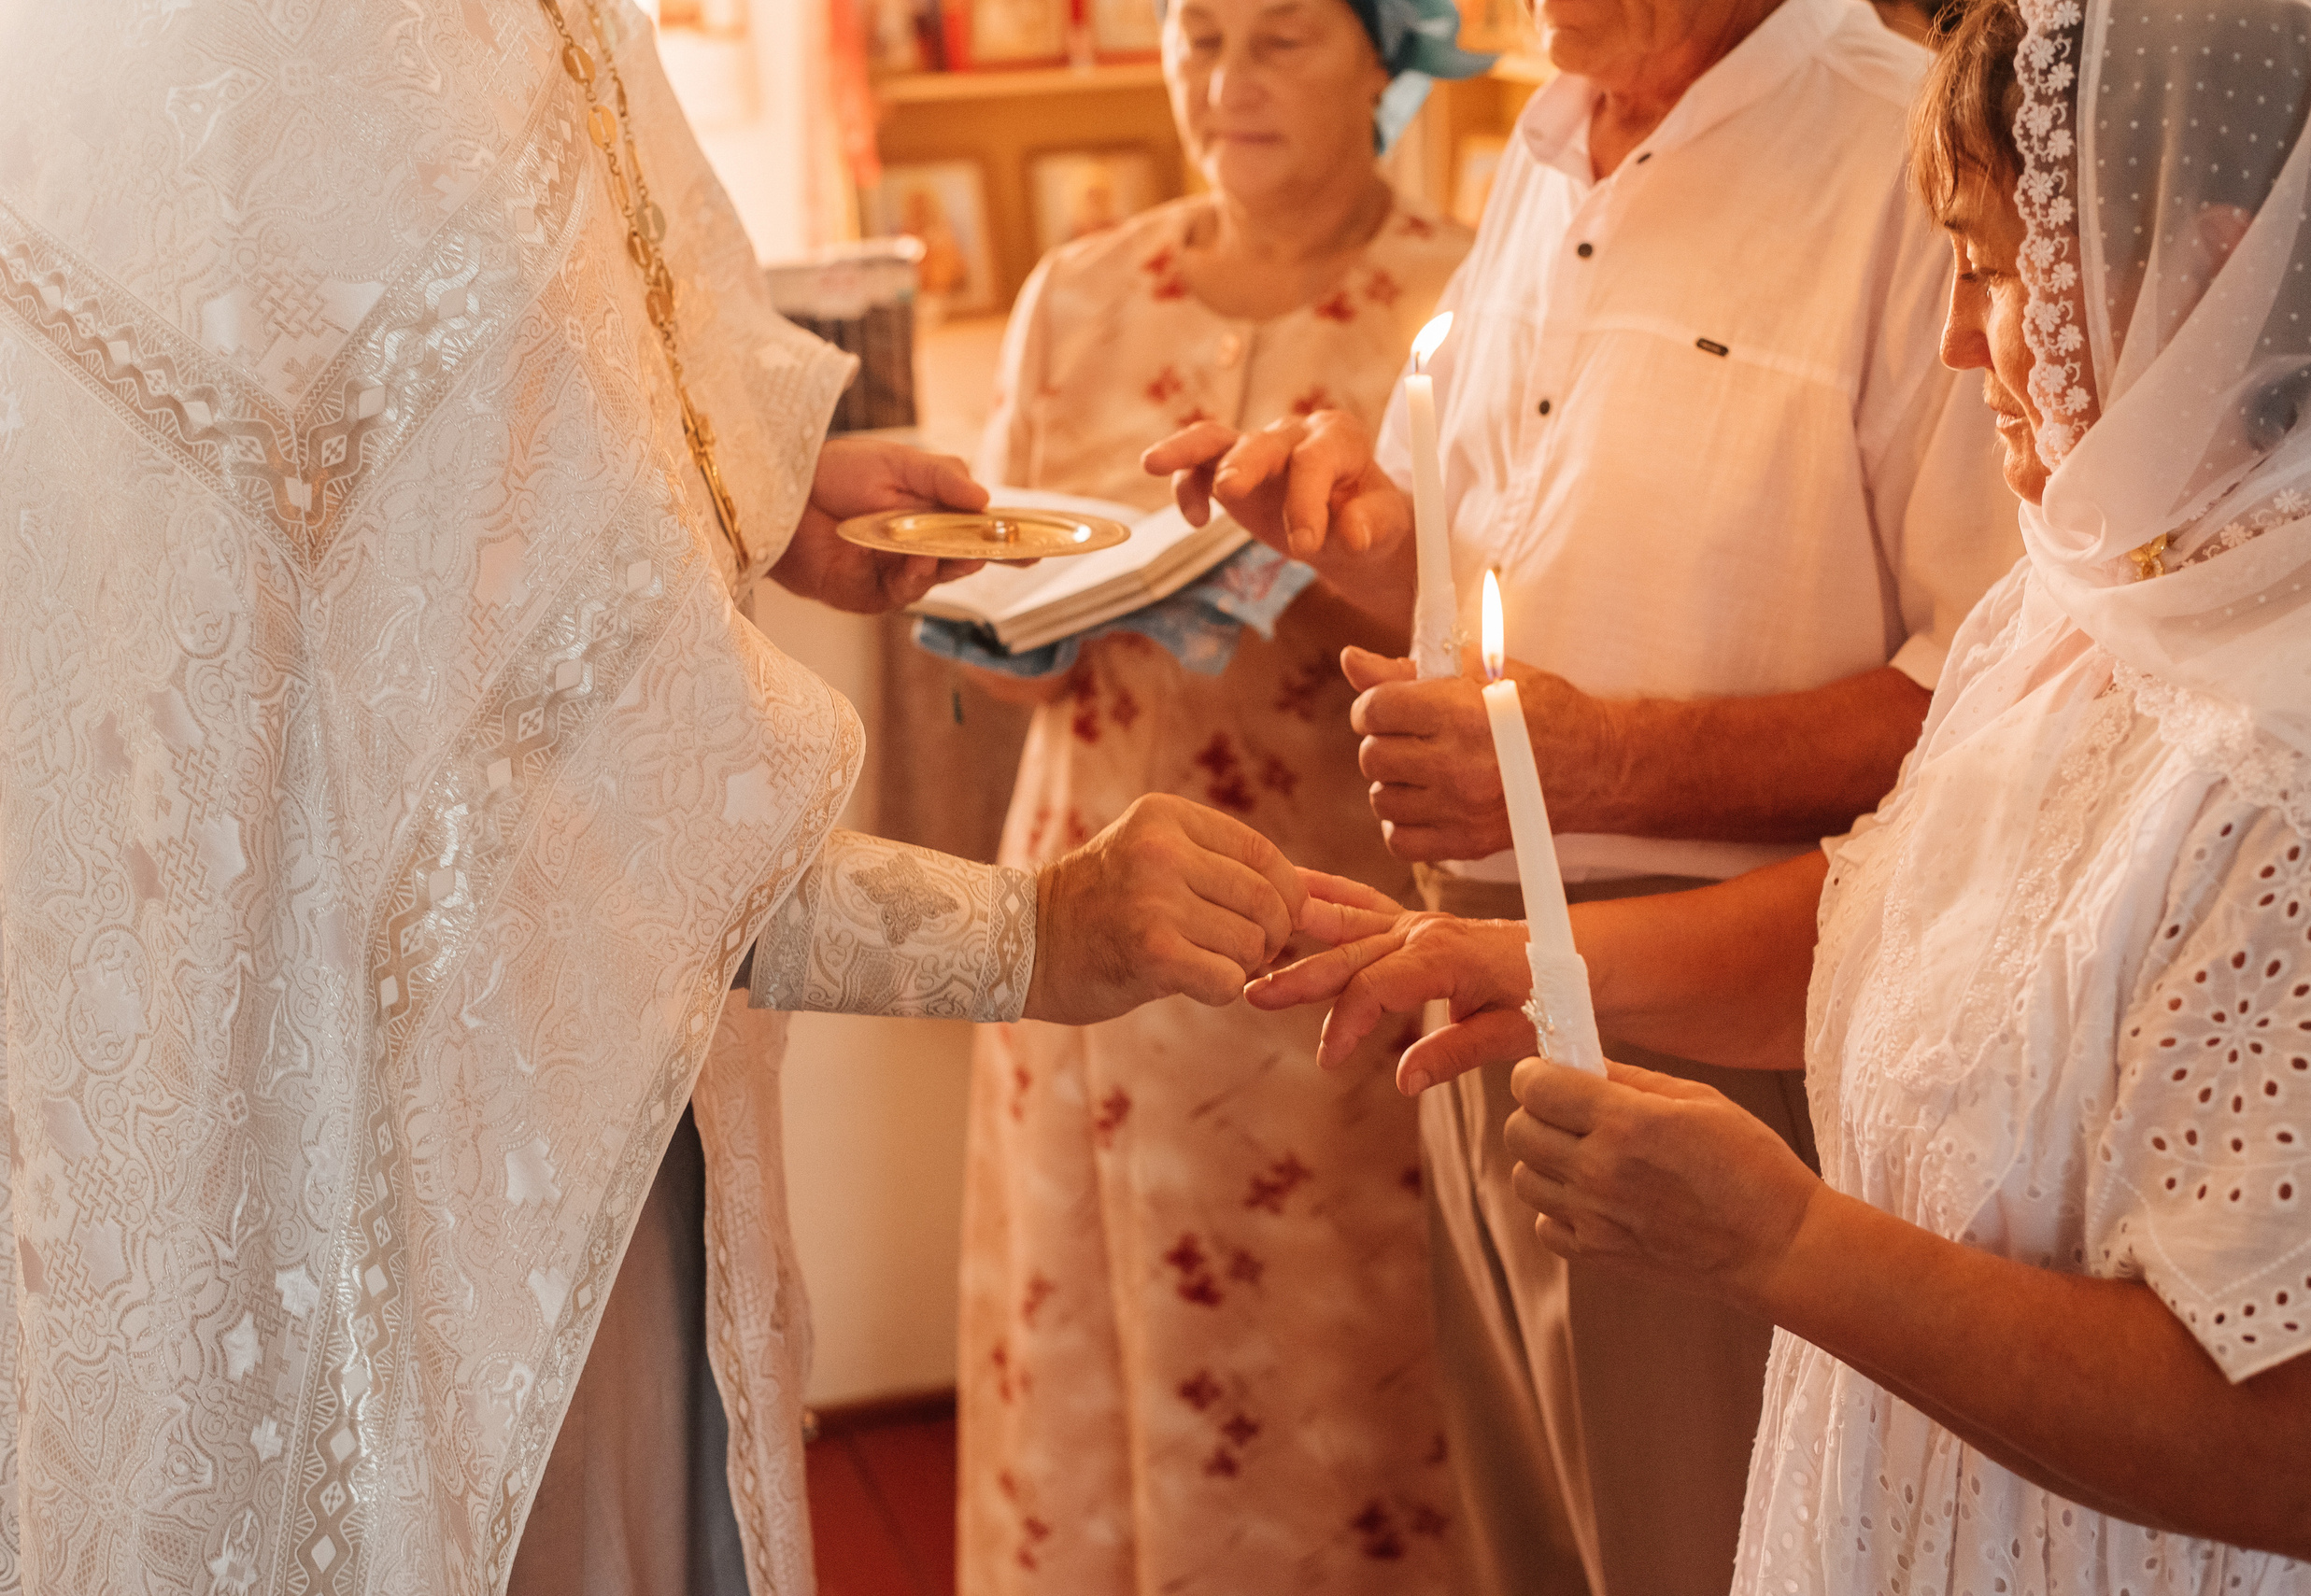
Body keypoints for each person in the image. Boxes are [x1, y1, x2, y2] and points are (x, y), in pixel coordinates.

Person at [0, 4, 1319, 1592]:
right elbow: (563, 823)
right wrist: (1027, 932)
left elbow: (545, 353)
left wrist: (754, 475)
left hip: (181, 1123)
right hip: (480, 1168)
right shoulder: (360, 57)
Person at [1254, 0, 2311, 1586]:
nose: (1957, 339)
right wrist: (1534, 962)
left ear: (2196, 272)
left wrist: (1783, 1240)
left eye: (1991, 274)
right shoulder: (2070, 605)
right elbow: (1903, 926)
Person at [1144, 0, 2022, 1588]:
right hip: (1476, 975)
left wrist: (1603, 758)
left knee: (1705, 1544)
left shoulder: (1903, 152)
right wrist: (1370, 543)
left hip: (1735, 1011)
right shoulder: (1547, 145)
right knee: (1541, 1539)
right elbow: (1494, 572)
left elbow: (1987, 697)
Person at [945, 0, 1479, 1587]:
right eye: (1198, 33)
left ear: (1387, 52)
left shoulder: (1467, 298)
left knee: (1342, 1381)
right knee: (1088, 1339)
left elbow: (1508, 644)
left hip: (1332, 921)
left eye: (1284, 39)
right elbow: (1001, 659)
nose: (1226, 83)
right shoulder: (1080, 291)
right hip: (1089, 906)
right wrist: (993, 602)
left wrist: (1336, 566)